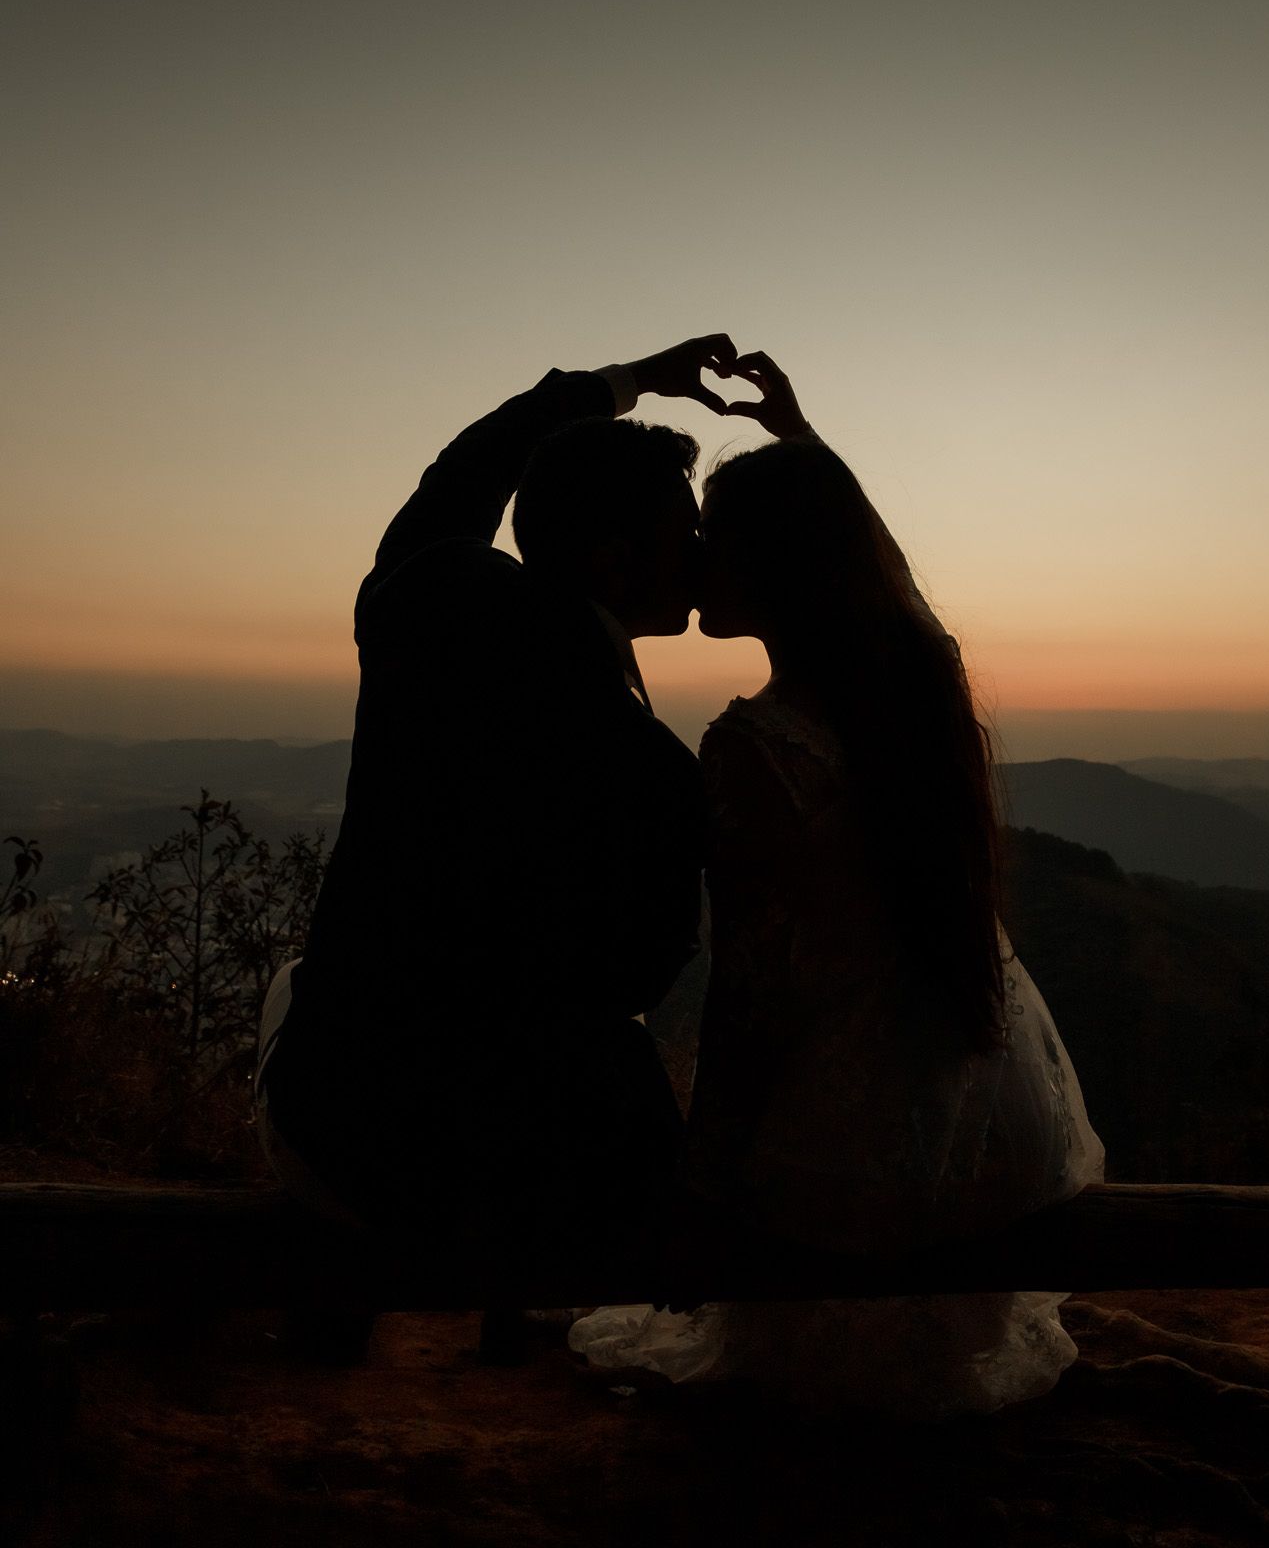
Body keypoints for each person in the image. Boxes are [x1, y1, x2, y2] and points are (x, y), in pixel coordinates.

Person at [569, 352, 1104, 1417]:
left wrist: (705, 1187)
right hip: (986, 1123)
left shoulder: (755, 747)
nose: (695, 557)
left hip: (859, 1160)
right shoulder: (912, 687)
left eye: (714, 538)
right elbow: (886, 576)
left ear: (773, 566)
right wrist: (801, 443)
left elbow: (750, 995)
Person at [255, 336, 739, 1304]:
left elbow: (466, 468)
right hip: (532, 1181)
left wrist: (629, 382)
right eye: (684, 534)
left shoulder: (425, 606)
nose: (700, 555)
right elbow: (642, 971)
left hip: (331, 1124)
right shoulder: (655, 768)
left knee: (309, 980)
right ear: (616, 560)